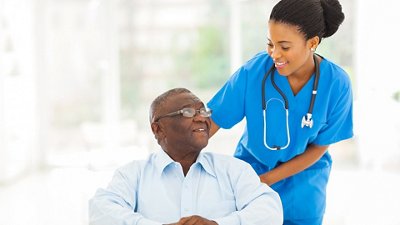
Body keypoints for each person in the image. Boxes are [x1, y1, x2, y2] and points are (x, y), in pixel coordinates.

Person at [207, 0, 353, 224]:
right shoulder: (253, 73)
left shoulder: (337, 84)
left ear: (312, 42)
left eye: (284, 47)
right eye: (270, 44)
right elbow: (212, 121)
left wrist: (266, 179)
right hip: (250, 175)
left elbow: (320, 147)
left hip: (303, 185)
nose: (274, 54)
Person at [89, 88, 283, 225]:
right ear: (158, 129)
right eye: (188, 112)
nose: (201, 117)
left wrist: (218, 224)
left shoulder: (233, 170)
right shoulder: (133, 174)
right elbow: (101, 213)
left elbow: (270, 211)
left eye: (203, 110)